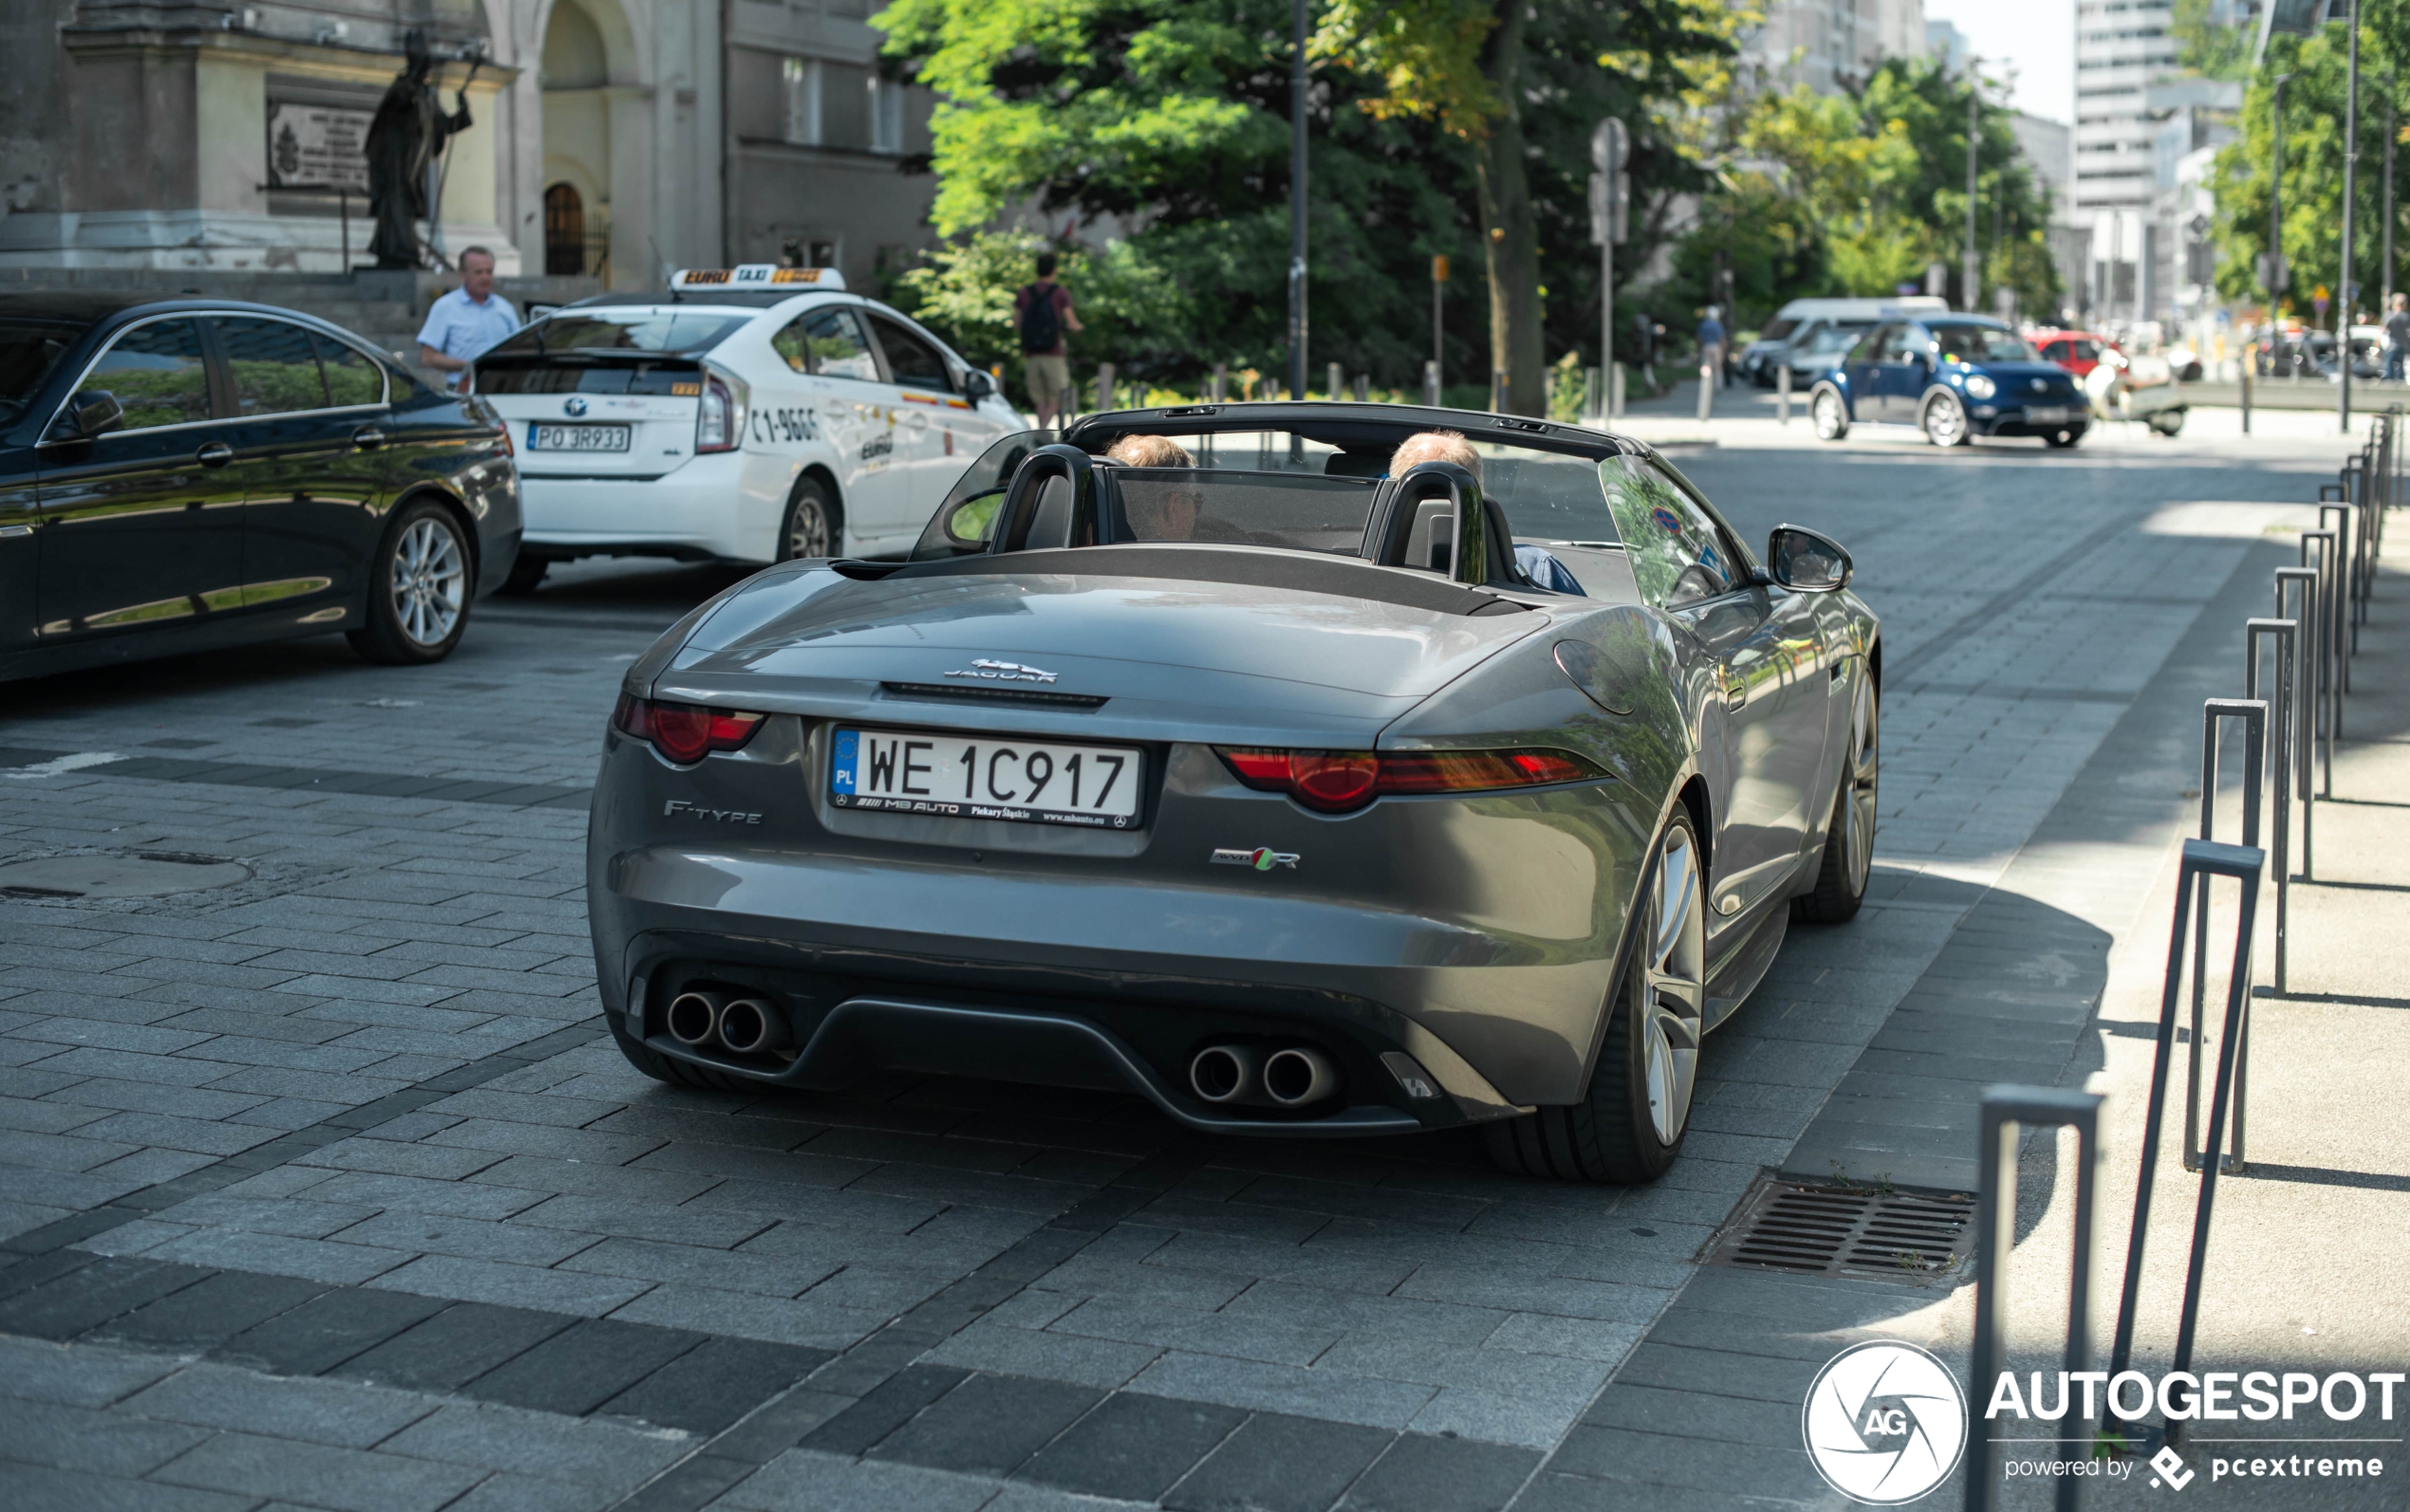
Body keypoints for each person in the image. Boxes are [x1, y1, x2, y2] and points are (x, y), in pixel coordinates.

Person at [1387, 430, 1582, 594]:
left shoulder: (1362, 564)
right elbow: (1594, 631)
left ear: (1393, 493)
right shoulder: (1536, 567)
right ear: (1480, 491)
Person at [416, 247, 518, 391]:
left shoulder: (505, 308)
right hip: (464, 389)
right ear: (462, 275)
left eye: (489, 272)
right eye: (478, 272)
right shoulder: (445, 307)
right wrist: (471, 365)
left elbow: (519, 348)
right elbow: (428, 358)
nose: (485, 277)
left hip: (502, 388)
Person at [1015, 253, 1084, 427]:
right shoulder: (1059, 292)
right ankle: (1043, 430)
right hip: (1054, 352)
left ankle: (1040, 431)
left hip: (1031, 353)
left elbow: (1016, 323)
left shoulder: (1024, 292)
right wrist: (1078, 328)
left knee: (1039, 399)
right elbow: (1072, 322)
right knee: (1057, 396)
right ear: (1054, 270)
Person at [1696, 304, 1728, 390]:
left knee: (1706, 366)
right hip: (1716, 347)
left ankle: (1706, 384)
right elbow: (1722, 338)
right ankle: (1718, 386)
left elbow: (1699, 338)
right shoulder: (1718, 325)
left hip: (1706, 346)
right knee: (1717, 367)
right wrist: (1724, 350)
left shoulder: (1703, 324)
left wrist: (1699, 348)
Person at [2385, 293, 2410, 382]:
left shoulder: (2390, 315)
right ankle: (2400, 379)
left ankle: (2390, 380)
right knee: (2400, 363)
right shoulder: (2406, 316)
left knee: (2389, 363)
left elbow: (2384, 329)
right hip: (2403, 344)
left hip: (2392, 344)